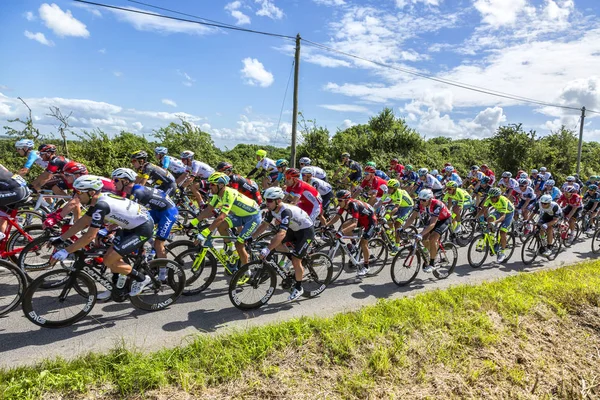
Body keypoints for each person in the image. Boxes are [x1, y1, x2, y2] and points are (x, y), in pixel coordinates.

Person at [50, 175, 154, 298]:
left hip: (142, 228)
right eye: (74, 192)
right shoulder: (97, 201)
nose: (76, 196)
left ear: (91, 192)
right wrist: (61, 238)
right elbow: (82, 222)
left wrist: (66, 250)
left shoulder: (101, 205)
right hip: (130, 226)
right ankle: (115, 287)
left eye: (79, 192)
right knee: (109, 257)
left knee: (108, 259)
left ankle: (142, 279)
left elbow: (89, 236)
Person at [253, 187, 315, 301]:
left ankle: (298, 287)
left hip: (306, 231)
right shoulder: (272, 210)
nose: (267, 203)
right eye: (266, 200)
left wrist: (268, 249)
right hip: (295, 229)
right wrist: (252, 237)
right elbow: (264, 225)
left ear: (278, 201)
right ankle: (292, 258)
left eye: (270, 201)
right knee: (275, 242)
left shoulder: (285, 211)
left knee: (296, 260)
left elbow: (281, 234)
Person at [112, 168, 179, 270]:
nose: (113, 183)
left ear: (125, 181)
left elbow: (129, 215)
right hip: (158, 211)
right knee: (137, 229)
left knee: (158, 244)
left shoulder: (137, 192)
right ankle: (143, 253)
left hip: (169, 213)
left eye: (116, 180)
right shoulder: (130, 192)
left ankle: (163, 276)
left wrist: (112, 225)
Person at [192, 172, 262, 267]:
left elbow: (221, 217)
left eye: (213, 184)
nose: (210, 187)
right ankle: (229, 248)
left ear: (221, 185)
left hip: (253, 217)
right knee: (222, 226)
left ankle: (246, 271)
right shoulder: (217, 195)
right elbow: (208, 210)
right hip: (241, 215)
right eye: (210, 184)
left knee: (239, 245)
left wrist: (205, 232)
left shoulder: (229, 193)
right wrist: (192, 223)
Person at [324, 190, 376, 278]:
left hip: (370, 221)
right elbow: (337, 217)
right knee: (344, 225)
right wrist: (325, 226)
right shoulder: (343, 205)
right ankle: (355, 245)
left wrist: (341, 232)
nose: (338, 202)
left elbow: (354, 224)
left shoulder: (354, 205)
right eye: (337, 200)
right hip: (361, 219)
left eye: (340, 200)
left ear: (346, 200)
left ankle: (366, 266)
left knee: (364, 243)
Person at [401, 189, 452, 272]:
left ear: (430, 199)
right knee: (424, 239)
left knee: (432, 239)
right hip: (434, 219)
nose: (421, 202)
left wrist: (420, 234)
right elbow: (412, 218)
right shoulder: (419, 203)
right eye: (419, 199)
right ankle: (433, 253)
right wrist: (402, 228)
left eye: (423, 200)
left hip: (444, 220)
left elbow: (432, 224)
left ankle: (432, 263)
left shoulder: (436, 205)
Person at [475, 187, 514, 263]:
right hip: (498, 210)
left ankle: (502, 252)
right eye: (491, 197)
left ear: (499, 196)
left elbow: (503, 216)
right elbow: (483, 209)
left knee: (502, 232)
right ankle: (493, 237)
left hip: (508, 213)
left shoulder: (503, 201)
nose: (492, 199)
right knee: (489, 219)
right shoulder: (489, 198)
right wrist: (475, 218)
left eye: (494, 197)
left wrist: (495, 223)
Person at [379, 178, 413, 252]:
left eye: (391, 188)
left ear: (395, 189)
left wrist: (388, 216)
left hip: (407, 207)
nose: (389, 189)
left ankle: (396, 246)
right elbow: (380, 202)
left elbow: (397, 207)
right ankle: (391, 231)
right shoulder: (387, 192)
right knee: (386, 213)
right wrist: (372, 210)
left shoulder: (399, 193)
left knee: (397, 225)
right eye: (388, 187)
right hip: (400, 205)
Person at [0, 164, 31, 242]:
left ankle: (3, 238)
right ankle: (5, 244)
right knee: (2, 216)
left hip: (17, 191)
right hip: (21, 188)